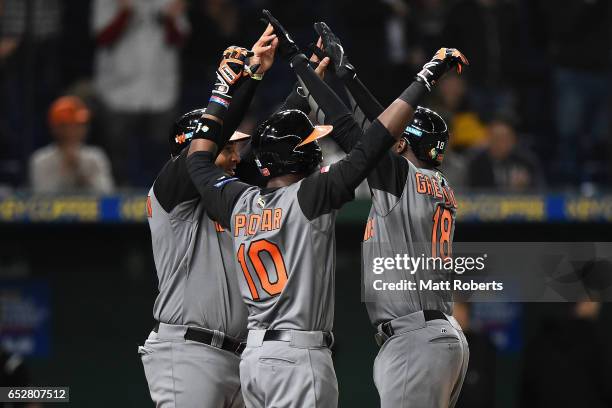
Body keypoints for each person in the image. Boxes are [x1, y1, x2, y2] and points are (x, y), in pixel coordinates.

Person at [184, 10, 467, 408]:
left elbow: (197, 162)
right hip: (308, 355)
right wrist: (327, 74)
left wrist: (226, 89)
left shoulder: (238, 198)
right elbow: (370, 139)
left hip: (254, 359)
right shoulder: (316, 195)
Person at [315, 22, 469, 407]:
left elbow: (367, 131)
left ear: (403, 141)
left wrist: (339, 75)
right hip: (440, 334)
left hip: (415, 338)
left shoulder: (403, 177)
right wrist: (336, 79)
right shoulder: (438, 185)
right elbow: (371, 131)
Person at [139, 26, 277, 408]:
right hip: (188, 350)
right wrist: (229, 87)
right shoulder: (170, 190)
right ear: (192, 147)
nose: (235, 157)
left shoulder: (226, 193)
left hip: (238, 357)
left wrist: (257, 75)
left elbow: (275, 143)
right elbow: (209, 144)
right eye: (226, 149)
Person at [92, 0, 190, 186]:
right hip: (118, 91)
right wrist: (124, 14)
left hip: (160, 89)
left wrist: (169, 19)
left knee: (161, 155)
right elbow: (102, 38)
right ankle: (120, 204)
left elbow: (179, 39)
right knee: (118, 159)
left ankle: (160, 198)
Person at [29, 96, 114, 193]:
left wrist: (78, 171)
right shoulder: (41, 160)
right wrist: (64, 170)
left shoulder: (95, 157)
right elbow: (42, 199)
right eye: (70, 125)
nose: (77, 130)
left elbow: (107, 196)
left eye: (80, 125)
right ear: (56, 128)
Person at [467, 116, 544, 191]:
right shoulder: (477, 163)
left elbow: (542, 191)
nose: (500, 143)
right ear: (488, 139)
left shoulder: (527, 161)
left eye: (504, 139)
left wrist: (525, 187)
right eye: (496, 138)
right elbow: (470, 193)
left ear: (513, 140)